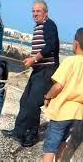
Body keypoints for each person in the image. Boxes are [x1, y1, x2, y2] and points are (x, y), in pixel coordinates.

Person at [1, 0, 60, 147]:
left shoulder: (49, 25)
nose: (35, 13)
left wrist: (34, 59)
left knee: (33, 104)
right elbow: (41, 48)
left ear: (45, 13)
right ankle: (18, 132)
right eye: (33, 11)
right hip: (38, 70)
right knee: (24, 100)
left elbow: (50, 46)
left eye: (38, 11)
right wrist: (32, 59)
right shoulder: (39, 27)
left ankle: (32, 136)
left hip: (47, 71)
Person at [42, 28, 83, 162]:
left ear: (76, 43)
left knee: (50, 147)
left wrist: (47, 96)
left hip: (62, 112)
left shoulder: (70, 61)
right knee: (63, 141)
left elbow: (58, 86)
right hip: (77, 114)